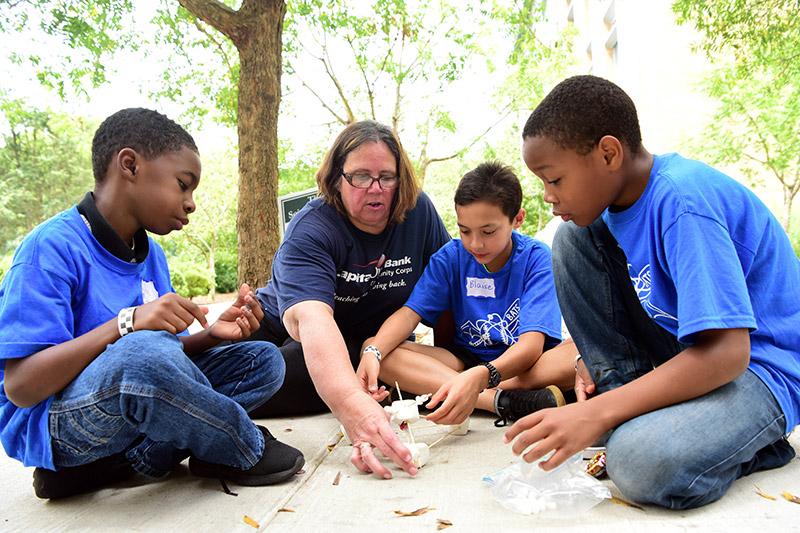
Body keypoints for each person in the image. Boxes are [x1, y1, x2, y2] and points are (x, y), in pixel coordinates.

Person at [504, 74, 800, 510]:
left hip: (761, 369)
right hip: (692, 352)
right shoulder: (613, 211)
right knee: (570, 240)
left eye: (555, 179)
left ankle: (756, 445)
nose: (548, 196)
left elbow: (728, 354)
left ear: (608, 153)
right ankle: (628, 399)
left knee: (638, 463)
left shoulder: (682, 204)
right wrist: (604, 397)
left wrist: (597, 413)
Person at [0, 108, 304, 500]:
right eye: (183, 184)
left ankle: (119, 463)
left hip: (132, 401)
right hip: (57, 423)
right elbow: (22, 387)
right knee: (140, 352)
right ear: (129, 165)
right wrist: (126, 324)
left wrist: (212, 336)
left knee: (263, 360)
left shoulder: (151, 255)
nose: (191, 203)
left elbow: (167, 362)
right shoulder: (50, 248)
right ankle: (239, 445)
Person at [252, 121, 451, 479]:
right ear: (336, 179)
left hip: (374, 343)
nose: (375, 189)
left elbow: (448, 286)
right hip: (297, 333)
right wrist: (351, 405)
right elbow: (313, 322)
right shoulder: (313, 227)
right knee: (287, 367)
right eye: (360, 176)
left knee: (372, 361)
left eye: (386, 177)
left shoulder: (419, 213)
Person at [356, 161, 577, 427]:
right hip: (464, 361)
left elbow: (530, 347)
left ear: (517, 219)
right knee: (378, 345)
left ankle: (464, 390)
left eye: (488, 232)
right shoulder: (450, 257)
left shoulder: (537, 258)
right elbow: (408, 315)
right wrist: (373, 352)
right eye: (464, 231)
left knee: (578, 355)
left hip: (526, 366)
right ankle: (503, 402)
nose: (475, 243)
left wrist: (480, 377)